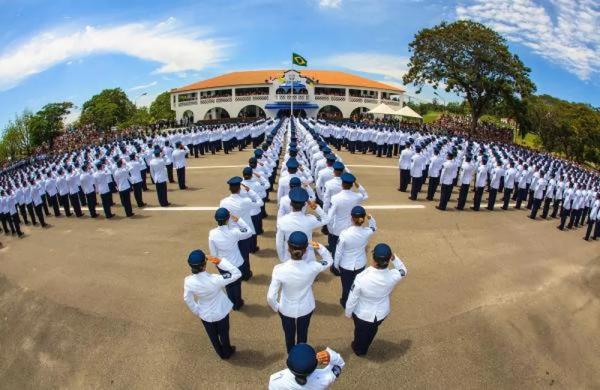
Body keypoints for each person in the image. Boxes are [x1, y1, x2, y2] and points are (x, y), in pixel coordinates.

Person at [267, 231, 333, 352]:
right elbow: (329, 260)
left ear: (288, 248)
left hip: (286, 308)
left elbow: (271, 296)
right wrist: (319, 247)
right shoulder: (313, 267)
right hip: (306, 307)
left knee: (289, 335)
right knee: (303, 334)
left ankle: (291, 353)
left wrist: (277, 307)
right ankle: (301, 353)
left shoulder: (279, 269)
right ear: (305, 250)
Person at [345, 243, 407, 356]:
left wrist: (348, 313)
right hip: (381, 313)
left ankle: (358, 349)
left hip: (362, 313)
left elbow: (352, 298)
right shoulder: (394, 275)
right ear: (388, 260)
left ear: (373, 259)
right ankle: (365, 346)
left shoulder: (361, 277)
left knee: (359, 332)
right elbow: (403, 270)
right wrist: (394, 258)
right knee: (372, 331)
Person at [183, 249, 241, 359]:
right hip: (221, 312)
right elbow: (237, 273)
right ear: (204, 265)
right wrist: (219, 261)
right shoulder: (216, 279)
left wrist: (196, 310)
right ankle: (227, 351)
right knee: (224, 334)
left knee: (213, 336)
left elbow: (187, 298)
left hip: (204, 313)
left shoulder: (188, 281)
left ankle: (220, 353)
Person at [208, 208, 252, 309]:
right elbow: (249, 231)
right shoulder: (235, 232)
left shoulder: (212, 233)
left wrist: (217, 264)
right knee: (237, 284)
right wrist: (239, 220)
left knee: (228, 284)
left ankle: (232, 302)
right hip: (236, 263)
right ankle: (237, 303)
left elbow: (213, 253)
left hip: (222, 264)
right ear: (228, 220)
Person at [333, 206, 376, 308]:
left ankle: (345, 302)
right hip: (360, 263)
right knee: (358, 285)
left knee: (346, 286)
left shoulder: (344, 233)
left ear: (351, 218)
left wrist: (336, 265)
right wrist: (371, 219)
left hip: (346, 265)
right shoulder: (367, 232)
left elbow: (338, 251)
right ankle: (356, 302)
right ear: (363, 219)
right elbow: (374, 227)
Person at [268, 344, 345, 389]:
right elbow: (339, 364)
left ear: (288, 363)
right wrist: (331, 355)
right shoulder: (324, 379)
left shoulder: (275, 380)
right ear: (315, 366)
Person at [326, 173, 368, 257]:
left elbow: (330, 217)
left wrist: (331, 230)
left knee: (336, 250)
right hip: (351, 227)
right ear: (352, 185)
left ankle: (335, 267)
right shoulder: (357, 196)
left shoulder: (335, 198)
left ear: (342, 184)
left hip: (338, 229)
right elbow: (365, 195)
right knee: (348, 250)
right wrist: (357, 184)